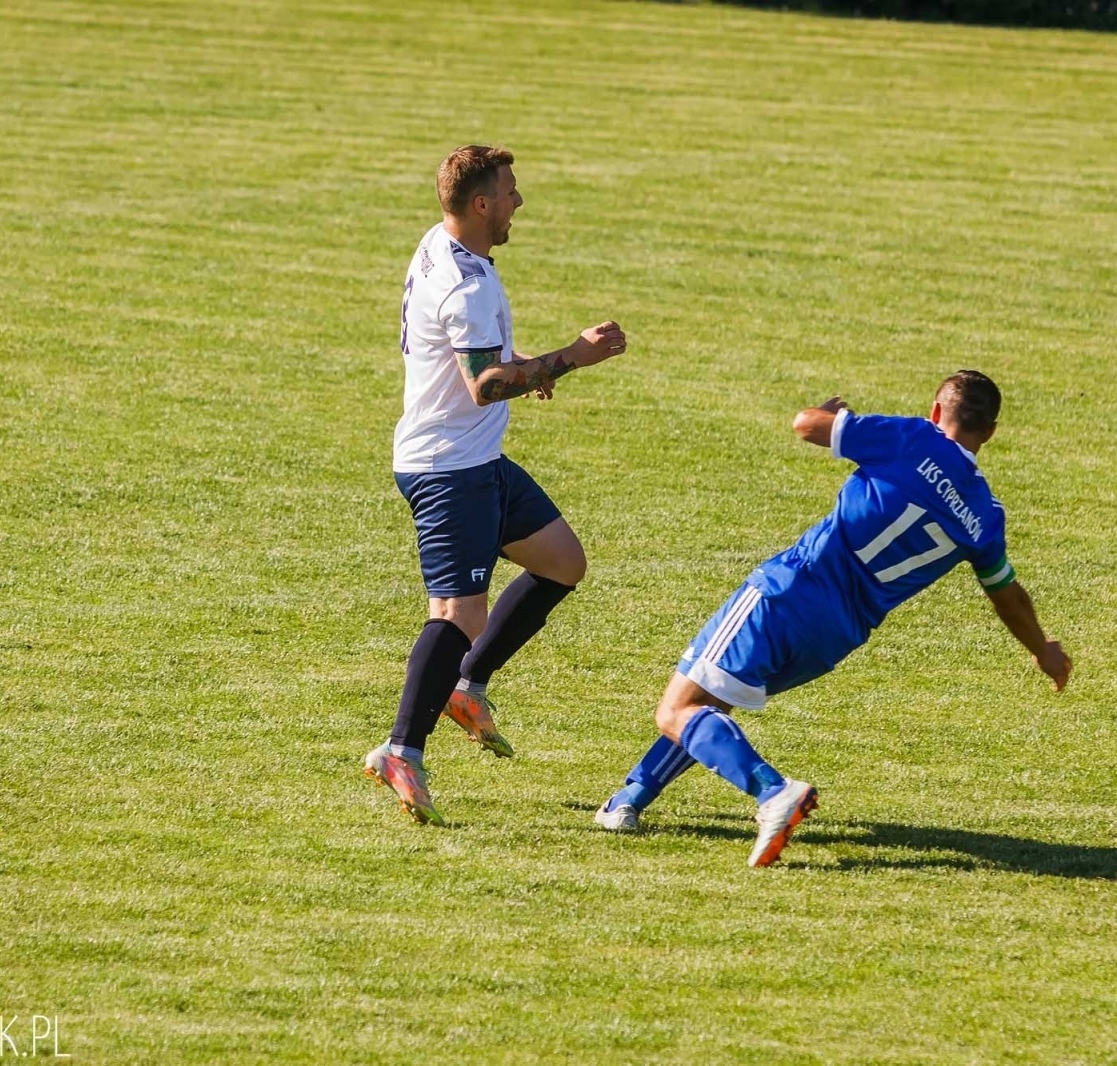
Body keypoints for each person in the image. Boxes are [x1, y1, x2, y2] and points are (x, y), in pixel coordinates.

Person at [594, 371, 1072, 866]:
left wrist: (826, 411)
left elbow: (807, 425)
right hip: (837, 635)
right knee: (712, 701)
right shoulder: (985, 514)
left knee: (678, 711)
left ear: (935, 411)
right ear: (989, 432)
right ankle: (628, 800)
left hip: (790, 592)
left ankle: (773, 793)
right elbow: (1006, 594)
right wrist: (1043, 649)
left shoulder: (912, 437)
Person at [365, 145, 627, 826]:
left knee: (562, 562)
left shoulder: (443, 246)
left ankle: (468, 688)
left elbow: (481, 364)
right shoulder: (468, 286)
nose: (519, 203)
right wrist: (571, 358)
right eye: (510, 192)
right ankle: (401, 749)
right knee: (459, 615)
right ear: (480, 204)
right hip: (449, 469)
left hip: (477, 460)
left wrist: (528, 370)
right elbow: (482, 386)